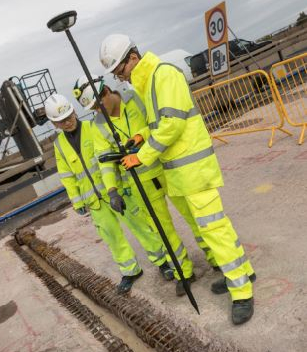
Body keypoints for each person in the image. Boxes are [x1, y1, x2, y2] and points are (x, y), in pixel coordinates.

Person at [99, 35, 256, 325]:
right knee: (211, 227)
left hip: (193, 170)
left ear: (132, 58)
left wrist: (141, 156)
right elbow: (159, 124)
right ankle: (243, 269)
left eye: (119, 70)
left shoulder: (163, 75)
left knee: (213, 230)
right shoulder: (149, 83)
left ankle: (242, 290)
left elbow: (172, 125)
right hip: (181, 174)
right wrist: (142, 136)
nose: (119, 77)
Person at [74, 74, 200, 295]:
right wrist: (112, 190)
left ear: (105, 92)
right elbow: (104, 162)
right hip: (141, 181)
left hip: (167, 167)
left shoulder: (135, 97)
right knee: (163, 229)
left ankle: (214, 257)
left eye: (98, 104)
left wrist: (141, 136)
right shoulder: (98, 125)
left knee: (193, 214)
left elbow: (159, 122)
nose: (97, 111)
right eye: (93, 108)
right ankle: (184, 272)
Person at [44, 92, 173, 294]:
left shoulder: (94, 127)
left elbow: (111, 156)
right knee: (112, 236)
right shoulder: (59, 145)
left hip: (117, 191)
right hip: (95, 201)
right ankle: (130, 270)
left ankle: (162, 261)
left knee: (140, 225)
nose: (67, 122)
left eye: (69, 117)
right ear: (54, 124)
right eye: (61, 121)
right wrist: (76, 201)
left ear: (74, 112)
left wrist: (120, 186)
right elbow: (67, 175)